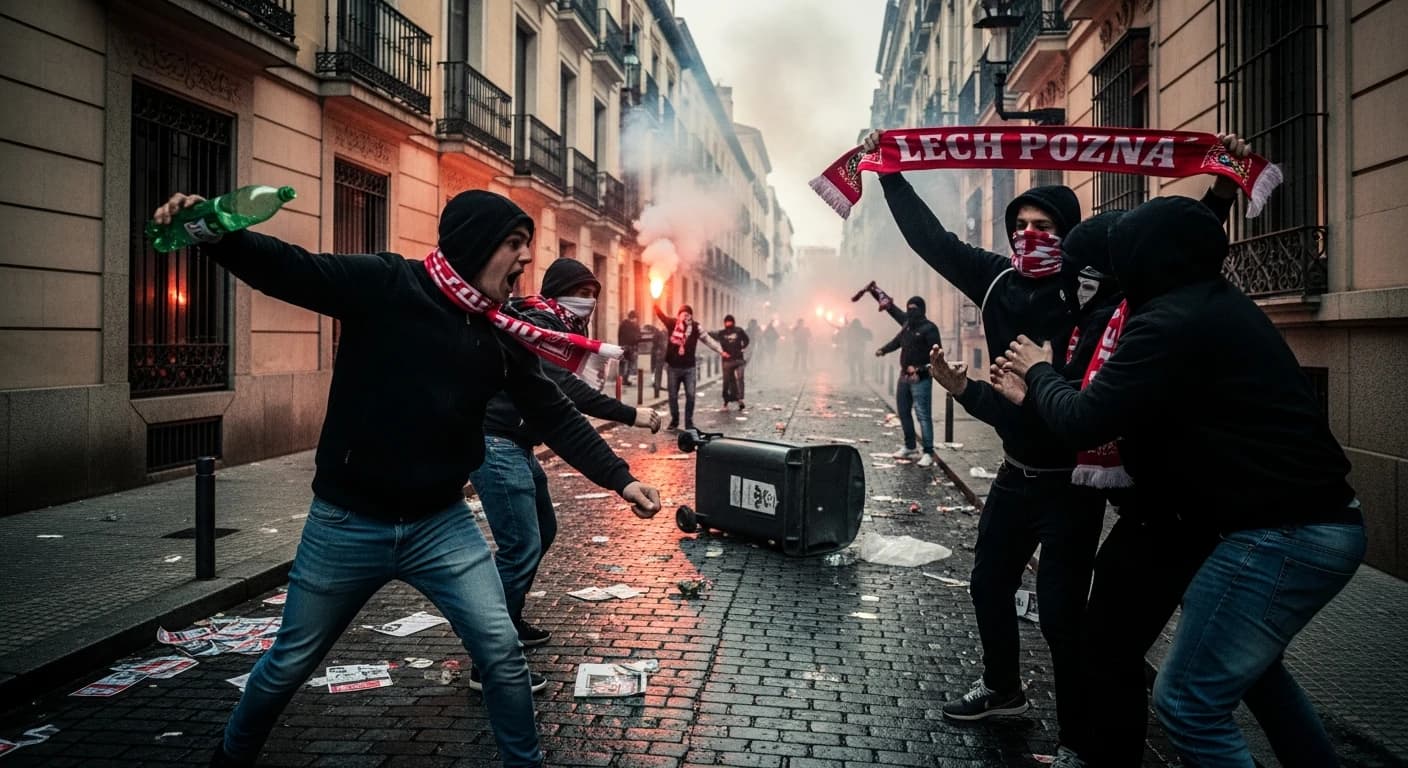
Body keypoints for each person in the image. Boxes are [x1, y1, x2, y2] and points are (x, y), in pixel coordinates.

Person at [152, 189, 663, 768]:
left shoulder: (500, 332)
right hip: (346, 523)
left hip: (440, 524)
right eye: (514, 243)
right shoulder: (388, 284)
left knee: (501, 651)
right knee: (289, 662)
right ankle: (230, 757)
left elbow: (553, 412)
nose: (526, 258)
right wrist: (214, 233)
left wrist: (621, 479)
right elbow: (293, 270)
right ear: (475, 244)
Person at [1002, 195, 1364, 768]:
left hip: (1284, 533)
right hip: (1301, 523)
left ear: (1143, 261)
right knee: (1257, 676)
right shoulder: (1207, 304)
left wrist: (1037, 373)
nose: (1088, 281)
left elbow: (1086, 418)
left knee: (1188, 703)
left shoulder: (1168, 323)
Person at [862, 128, 1104, 754]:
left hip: (1072, 485)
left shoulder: (1089, 292)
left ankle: (1079, 741)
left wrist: (1219, 192)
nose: (1028, 235)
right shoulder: (996, 280)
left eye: (1043, 226)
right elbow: (932, 240)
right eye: (1019, 225)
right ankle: (1003, 690)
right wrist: (889, 172)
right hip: (1015, 474)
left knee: (1060, 614)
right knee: (987, 583)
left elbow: (1171, 258)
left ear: (1068, 234)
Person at [474, 258, 662, 688]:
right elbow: (565, 393)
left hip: (518, 443)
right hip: (497, 442)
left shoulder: (558, 330)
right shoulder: (539, 326)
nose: (588, 302)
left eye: (594, 294)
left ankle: (508, 620)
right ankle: (488, 661)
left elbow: (559, 413)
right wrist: (629, 415)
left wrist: (622, 479)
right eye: (581, 292)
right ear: (557, 292)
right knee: (520, 547)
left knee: (542, 530)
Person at [875, 295, 941, 467]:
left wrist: (920, 369)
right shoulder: (907, 327)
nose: (911, 312)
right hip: (904, 377)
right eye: (909, 308)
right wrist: (883, 350)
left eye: (914, 308)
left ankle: (928, 452)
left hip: (921, 379)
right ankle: (910, 446)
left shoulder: (930, 329)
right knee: (903, 411)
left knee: (923, 415)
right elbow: (897, 342)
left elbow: (937, 356)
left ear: (922, 309)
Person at [654, 303, 725, 430]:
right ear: (679, 315)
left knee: (691, 395)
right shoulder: (672, 324)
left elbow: (708, 340)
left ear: (691, 316)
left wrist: (720, 351)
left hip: (689, 369)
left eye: (688, 314)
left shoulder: (696, 327)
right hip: (673, 368)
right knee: (672, 396)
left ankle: (689, 422)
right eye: (683, 313)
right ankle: (675, 420)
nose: (686, 315)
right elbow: (662, 316)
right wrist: (655, 303)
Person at [710, 314, 750, 411]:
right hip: (727, 361)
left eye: (730, 321)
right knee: (727, 382)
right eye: (727, 322)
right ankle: (726, 402)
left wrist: (743, 347)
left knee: (740, 377)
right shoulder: (721, 333)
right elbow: (710, 336)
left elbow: (747, 339)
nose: (728, 323)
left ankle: (740, 398)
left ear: (733, 322)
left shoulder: (739, 330)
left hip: (739, 360)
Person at [843, 318, 872, 385]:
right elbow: (870, 337)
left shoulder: (850, 330)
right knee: (860, 365)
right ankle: (861, 380)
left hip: (852, 351)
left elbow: (847, 339)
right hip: (859, 351)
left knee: (853, 366)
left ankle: (853, 380)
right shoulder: (862, 330)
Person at [617, 309, 641, 386]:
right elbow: (638, 337)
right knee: (631, 364)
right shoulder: (635, 325)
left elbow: (619, 335)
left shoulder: (623, 324)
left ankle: (621, 380)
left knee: (623, 364)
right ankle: (626, 379)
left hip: (623, 346)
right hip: (631, 347)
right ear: (634, 318)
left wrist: (620, 345)